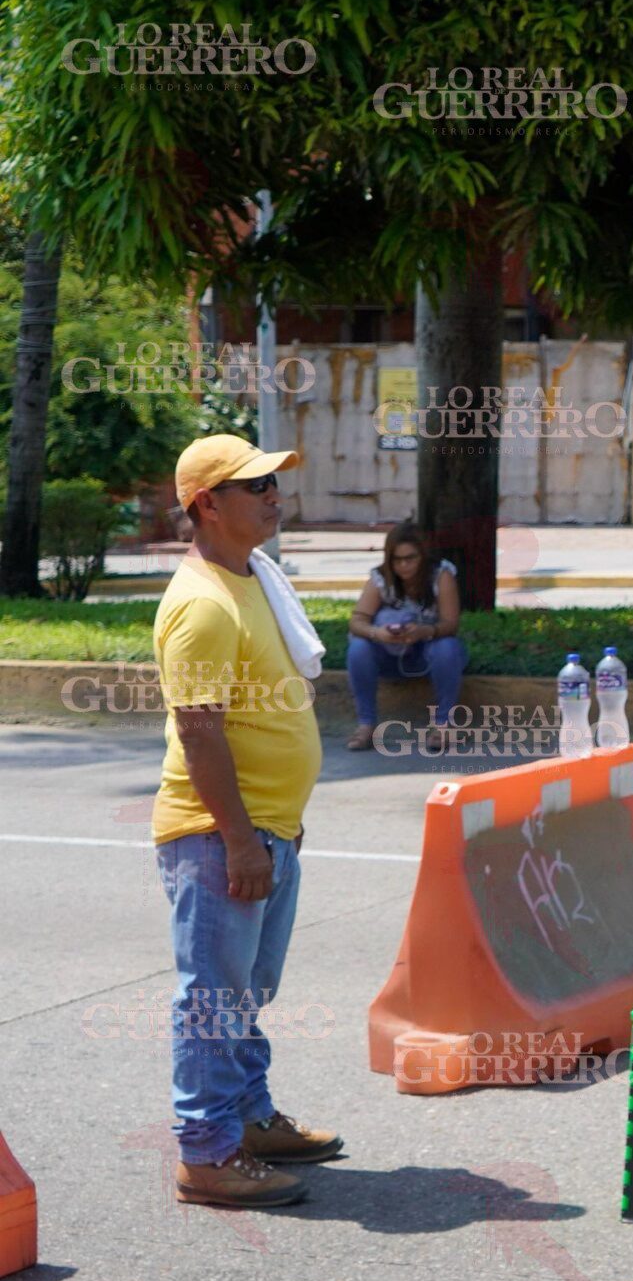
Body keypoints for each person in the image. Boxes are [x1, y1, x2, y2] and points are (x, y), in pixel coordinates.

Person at [152, 435, 339, 1209]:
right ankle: (206, 1152)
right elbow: (199, 731)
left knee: (245, 992)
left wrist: (279, 827)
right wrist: (237, 838)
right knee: (214, 998)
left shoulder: (250, 578)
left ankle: (251, 1118)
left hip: (267, 828)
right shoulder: (201, 605)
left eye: (274, 481)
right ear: (206, 504)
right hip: (217, 835)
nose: (272, 494)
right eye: (253, 483)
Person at [345, 520, 466, 751]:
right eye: (396, 560)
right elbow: (357, 622)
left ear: (423, 555)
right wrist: (377, 633)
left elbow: (451, 624)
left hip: (426, 651)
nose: (403, 566)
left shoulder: (441, 574)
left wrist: (425, 631)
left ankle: (443, 725)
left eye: (410, 558)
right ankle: (366, 725)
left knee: (447, 647)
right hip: (389, 652)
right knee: (358, 648)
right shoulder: (380, 579)